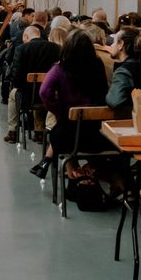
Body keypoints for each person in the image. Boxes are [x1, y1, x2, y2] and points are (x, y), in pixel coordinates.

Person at [39, 29, 110, 179]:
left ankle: (73, 173)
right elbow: (103, 91)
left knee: (57, 137)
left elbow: (44, 92)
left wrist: (59, 110)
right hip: (96, 132)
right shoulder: (97, 65)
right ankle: (88, 174)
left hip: (69, 132)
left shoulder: (60, 68)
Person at [4, 26, 60, 144]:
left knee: (12, 95)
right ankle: (38, 132)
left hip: (27, 96)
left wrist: (18, 85)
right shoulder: (55, 48)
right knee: (39, 93)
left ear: (26, 36)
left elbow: (17, 77)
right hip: (49, 95)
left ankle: (12, 131)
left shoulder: (21, 49)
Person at [106, 26, 141, 113]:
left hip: (128, 121)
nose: (111, 45)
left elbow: (115, 101)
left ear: (120, 44)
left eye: (114, 42)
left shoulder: (123, 72)